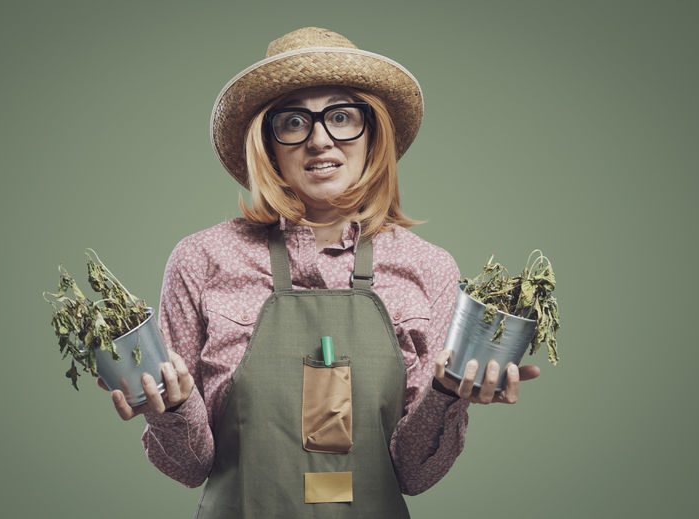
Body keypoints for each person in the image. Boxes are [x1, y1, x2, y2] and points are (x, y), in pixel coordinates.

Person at [98, 27, 540, 518]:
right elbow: (191, 467)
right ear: (268, 143)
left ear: (373, 134)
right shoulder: (202, 259)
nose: (320, 139)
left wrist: (448, 395)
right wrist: (169, 410)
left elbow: (414, 476)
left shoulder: (427, 267)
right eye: (293, 121)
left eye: (342, 116)